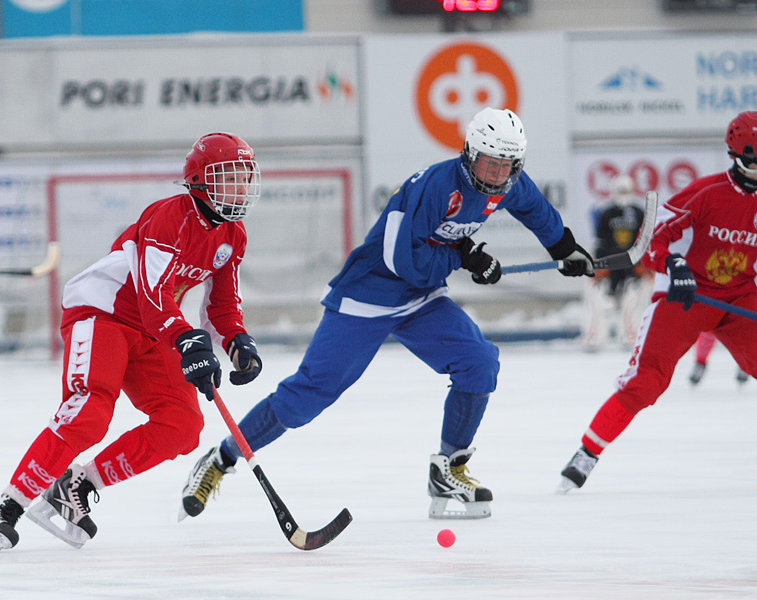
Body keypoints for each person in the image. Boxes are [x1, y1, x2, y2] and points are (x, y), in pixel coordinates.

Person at [179, 108, 594, 521]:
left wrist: (564, 248)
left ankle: (449, 468)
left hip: (420, 301)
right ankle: (221, 458)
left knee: (479, 362)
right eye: (487, 162)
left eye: (505, 167)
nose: (494, 175)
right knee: (305, 398)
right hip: (368, 297)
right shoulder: (434, 187)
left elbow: (534, 207)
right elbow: (402, 262)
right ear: (469, 153)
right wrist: (464, 258)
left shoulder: (506, 184)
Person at [0, 132, 265, 552]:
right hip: (102, 313)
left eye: (244, 176)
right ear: (199, 181)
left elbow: (222, 305)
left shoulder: (234, 235)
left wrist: (236, 342)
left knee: (182, 424)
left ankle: (77, 486)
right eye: (229, 177)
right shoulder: (169, 216)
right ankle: (5, 507)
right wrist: (187, 342)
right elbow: (153, 293)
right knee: (90, 410)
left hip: (151, 328)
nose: (241, 188)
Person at [559, 111, 757, 492]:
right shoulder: (705, 193)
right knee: (646, 381)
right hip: (689, 295)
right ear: (735, 156)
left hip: (740, 298)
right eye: (753, 161)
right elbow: (650, 241)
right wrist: (674, 263)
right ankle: (587, 451)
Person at [580, 175, 652, 351]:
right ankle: (594, 336)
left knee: (633, 300)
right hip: (609, 265)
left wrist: (644, 264)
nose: (623, 194)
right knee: (594, 297)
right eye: (620, 191)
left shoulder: (639, 212)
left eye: (626, 191)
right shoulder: (606, 213)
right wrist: (597, 266)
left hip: (632, 266)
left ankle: (630, 334)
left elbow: (646, 241)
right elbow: (600, 241)